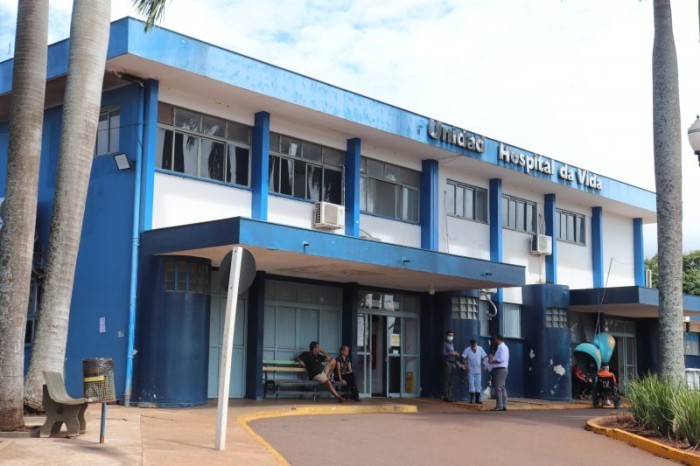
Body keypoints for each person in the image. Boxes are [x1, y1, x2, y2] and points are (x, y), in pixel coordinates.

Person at [462, 339, 488, 404]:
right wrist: (466, 365)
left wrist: (485, 365)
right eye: (472, 346)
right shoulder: (467, 350)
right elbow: (463, 358)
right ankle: (471, 399)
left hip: (478, 370)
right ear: (470, 345)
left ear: (476, 344)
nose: (474, 347)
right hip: (470, 370)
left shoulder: (480, 349)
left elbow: (485, 357)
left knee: (478, 385)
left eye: (475, 346)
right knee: (471, 384)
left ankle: (477, 399)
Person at [488, 335, 509, 411]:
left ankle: (499, 406)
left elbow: (501, 359)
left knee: (498, 388)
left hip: (500, 369)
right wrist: (492, 358)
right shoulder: (501, 348)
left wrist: (492, 361)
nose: (494, 341)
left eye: (495, 339)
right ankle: (503, 405)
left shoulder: (502, 348)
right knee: (502, 388)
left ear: (499, 339)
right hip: (502, 369)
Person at [442, 330, 460, 402]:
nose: (451, 336)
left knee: (451, 380)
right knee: (447, 379)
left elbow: (453, 353)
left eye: (452, 335)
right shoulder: (445, 344)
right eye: (449, 335)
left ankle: (450, 396)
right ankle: (446, 396)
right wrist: (451, 353)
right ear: (447, 335)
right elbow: (443, 353)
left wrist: (456, 354)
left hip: (453, 362)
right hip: (447, 362)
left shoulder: (452, 344)